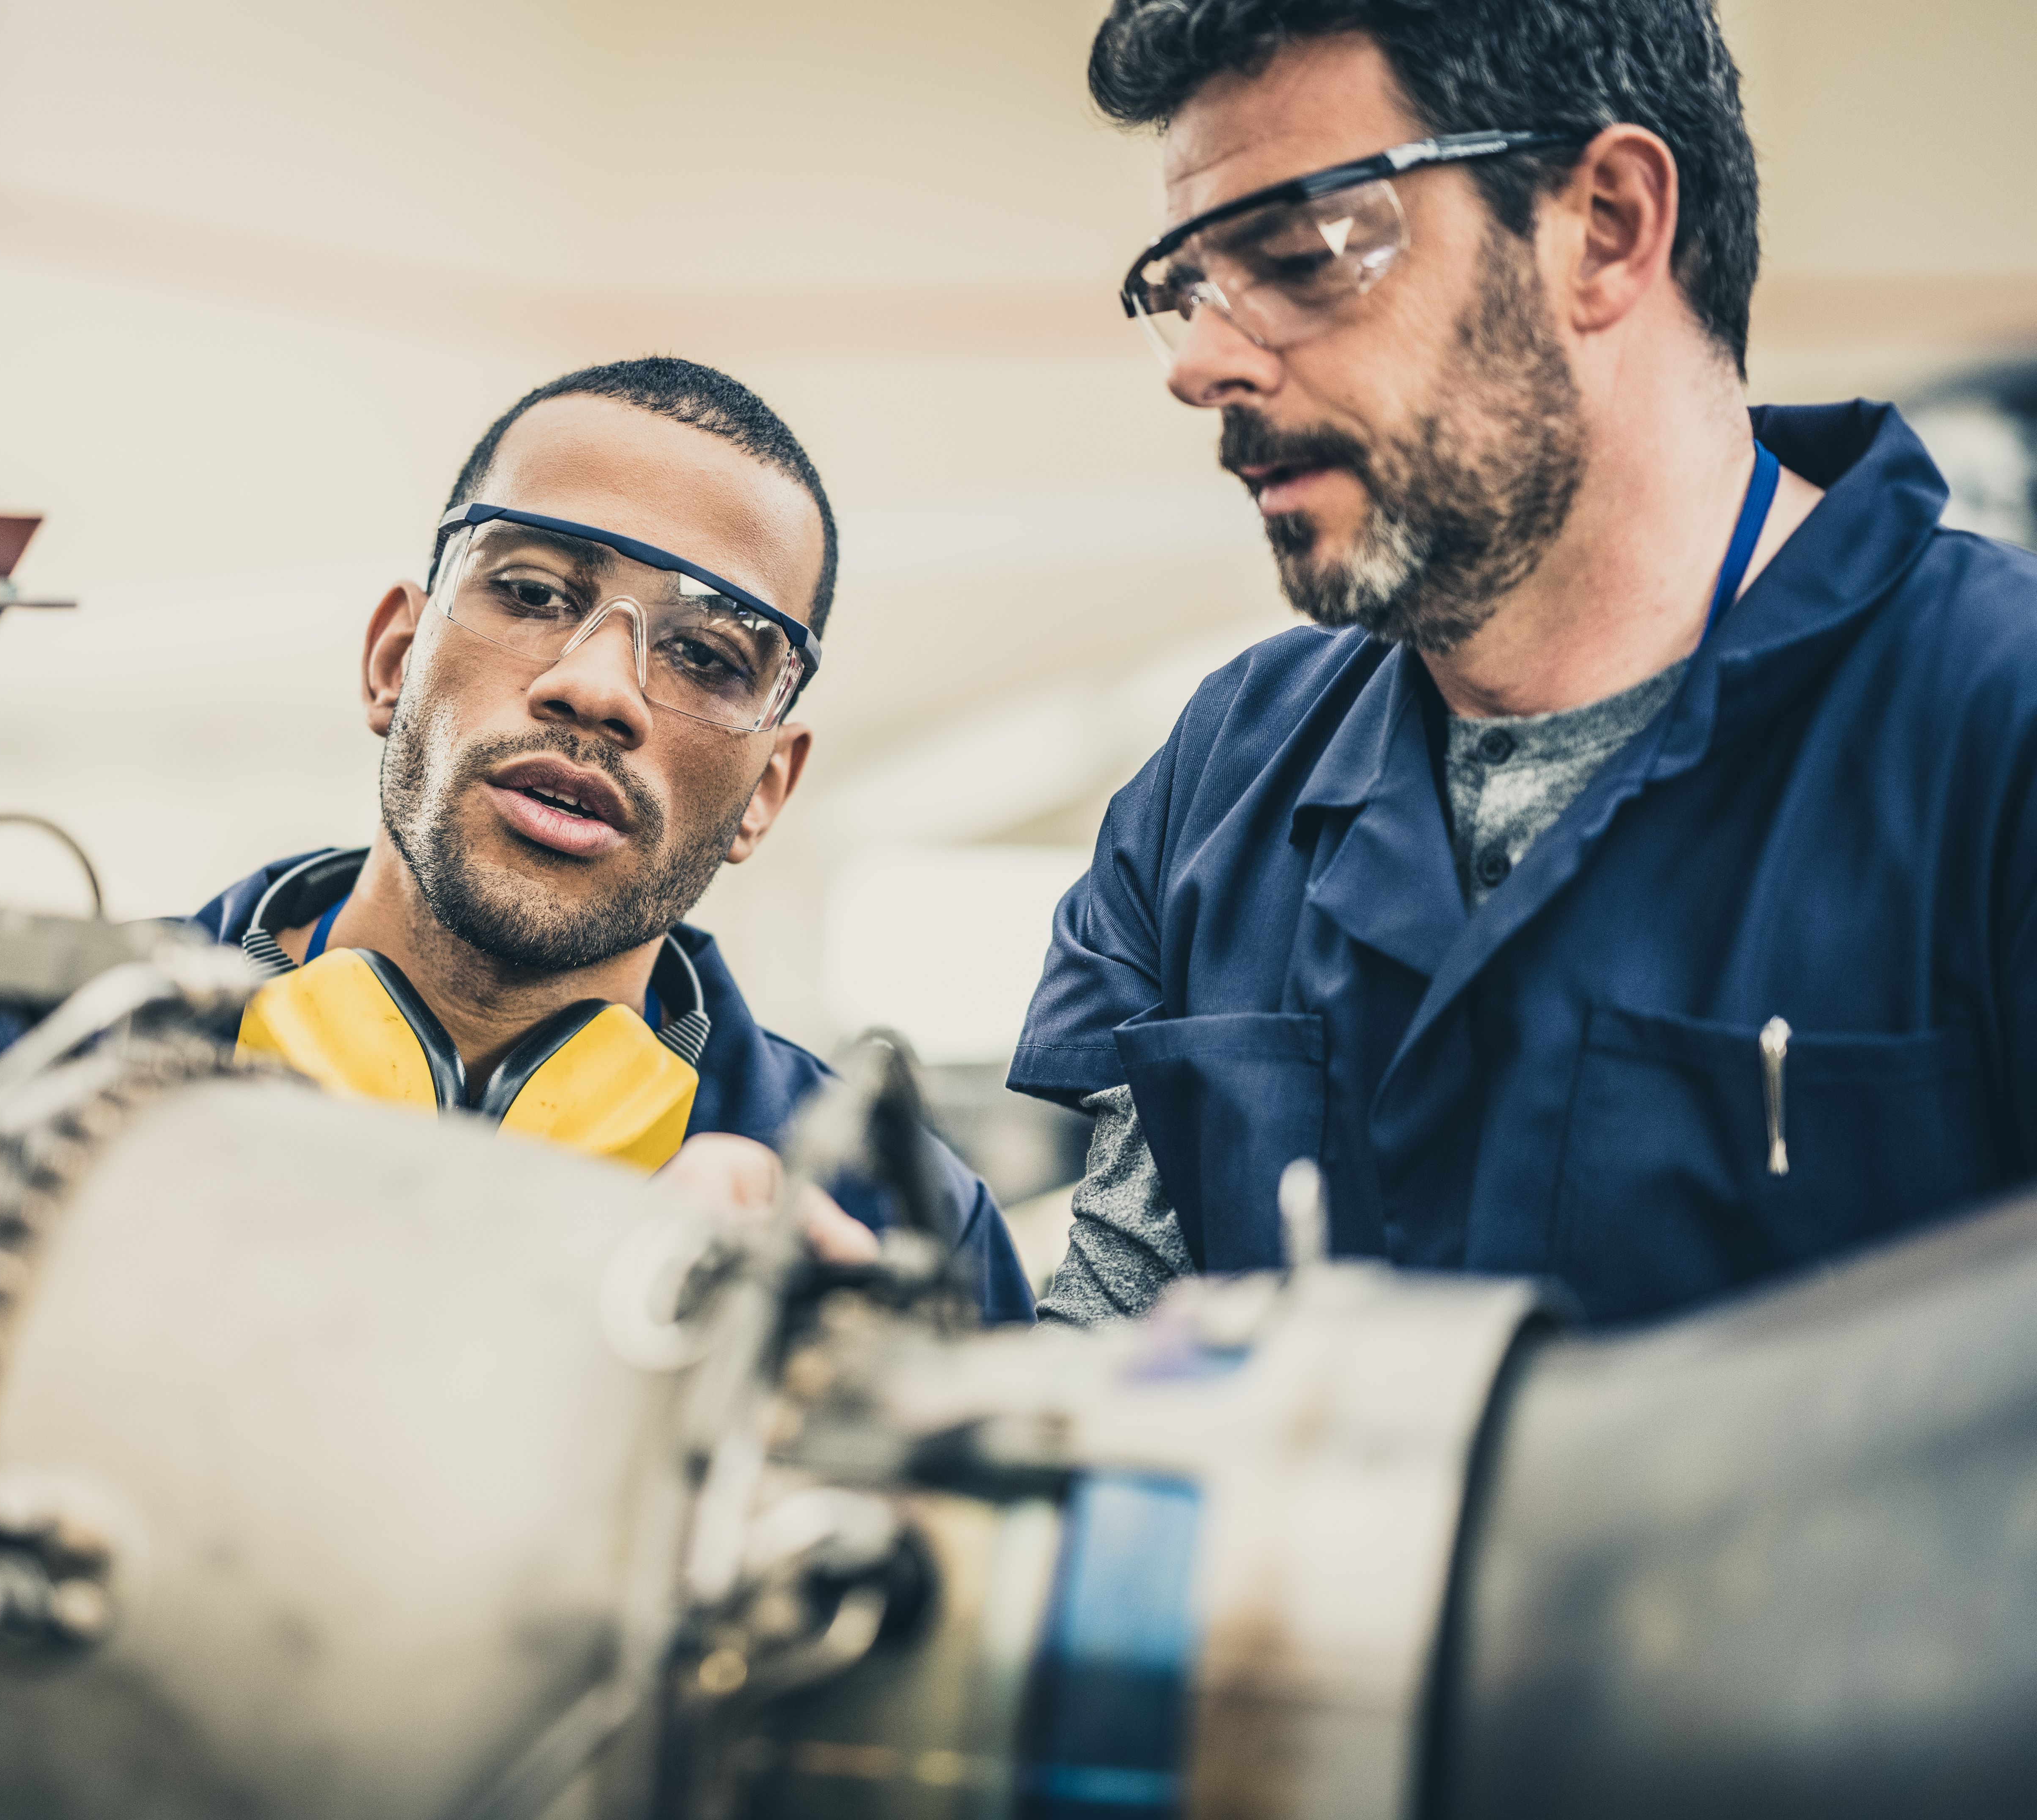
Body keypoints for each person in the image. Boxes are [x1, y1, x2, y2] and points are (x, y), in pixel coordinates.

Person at [1014, 0, 2037, 1327]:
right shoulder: (1221, 783)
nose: (1204, 363)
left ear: (1606, 226)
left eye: (1300, 254)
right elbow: (1101, 1388)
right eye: (1188, 289)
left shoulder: (1995, 730)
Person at [196, 357, 1035, 1324]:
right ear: (394, 660)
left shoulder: (896, 1232)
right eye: (535, 594)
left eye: (707, 655)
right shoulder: (27, 1053)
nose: (599, 690)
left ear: (765, 793)